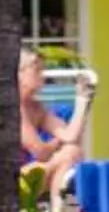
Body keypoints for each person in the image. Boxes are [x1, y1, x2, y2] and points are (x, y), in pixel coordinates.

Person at [17, 47, 85, 201]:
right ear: (18, 74)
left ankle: (60, 209)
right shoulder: (11, 107)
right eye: (37, 70)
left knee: (72, 151)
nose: (42, 76)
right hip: (3, 183)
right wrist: (60, 142)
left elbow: (70, 136)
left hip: (28, 177)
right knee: (69, 153)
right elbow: (41, 153)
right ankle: (60, 209)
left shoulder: (36, 107)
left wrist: (82, 102)